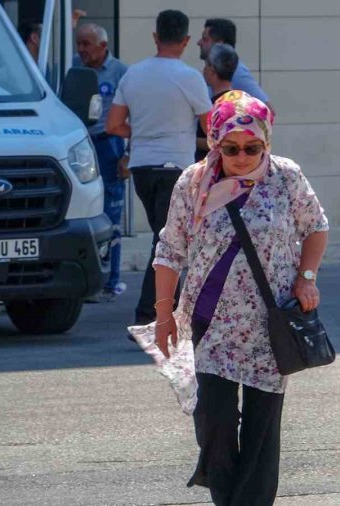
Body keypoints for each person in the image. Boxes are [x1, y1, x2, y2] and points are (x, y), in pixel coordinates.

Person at [151, 90, 328, 505]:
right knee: (213, 422)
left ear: (267, 142)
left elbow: (316, 226)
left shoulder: (286, 177)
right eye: (231, 148)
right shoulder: (193, 183)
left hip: (270, 325)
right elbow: (170, 250)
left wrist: (306, 277)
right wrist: (163, 315)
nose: (243, 155)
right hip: (210, 324)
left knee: (262, 431)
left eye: (253, 147)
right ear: (216, 143)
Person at [106, 9, 212, 330]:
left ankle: (174, 312)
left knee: (165, 239)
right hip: (175, 169)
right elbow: (211, 127)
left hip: (142, 168)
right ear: (185, 40)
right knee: (166, 243)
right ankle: (149, 315)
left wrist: (142, 132)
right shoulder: (190, 77)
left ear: (155, 37)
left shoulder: (133, 74)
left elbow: (113, 125)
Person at [75, 23, 129, 301]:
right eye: (79, 43)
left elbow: (136, 115)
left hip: (109, 145)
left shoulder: (121, 73)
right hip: (81, 146)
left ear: (103, 46)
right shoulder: (74, 70)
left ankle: (112, 279)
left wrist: (127, 155)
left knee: (111, 215)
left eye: (87, 44)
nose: (81, 49)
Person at [196, 18, 273, 111]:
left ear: (219, 44)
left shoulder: (236, 71)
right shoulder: (217, 70)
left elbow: (266, 109)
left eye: (205, 39)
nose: (199, 42)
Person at [195, 43, 238, 163]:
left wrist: (190, 140)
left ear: (213, 70)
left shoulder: (218, 105)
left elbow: (223, 143)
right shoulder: (237, 101)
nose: (203, 70)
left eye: (206, 65)